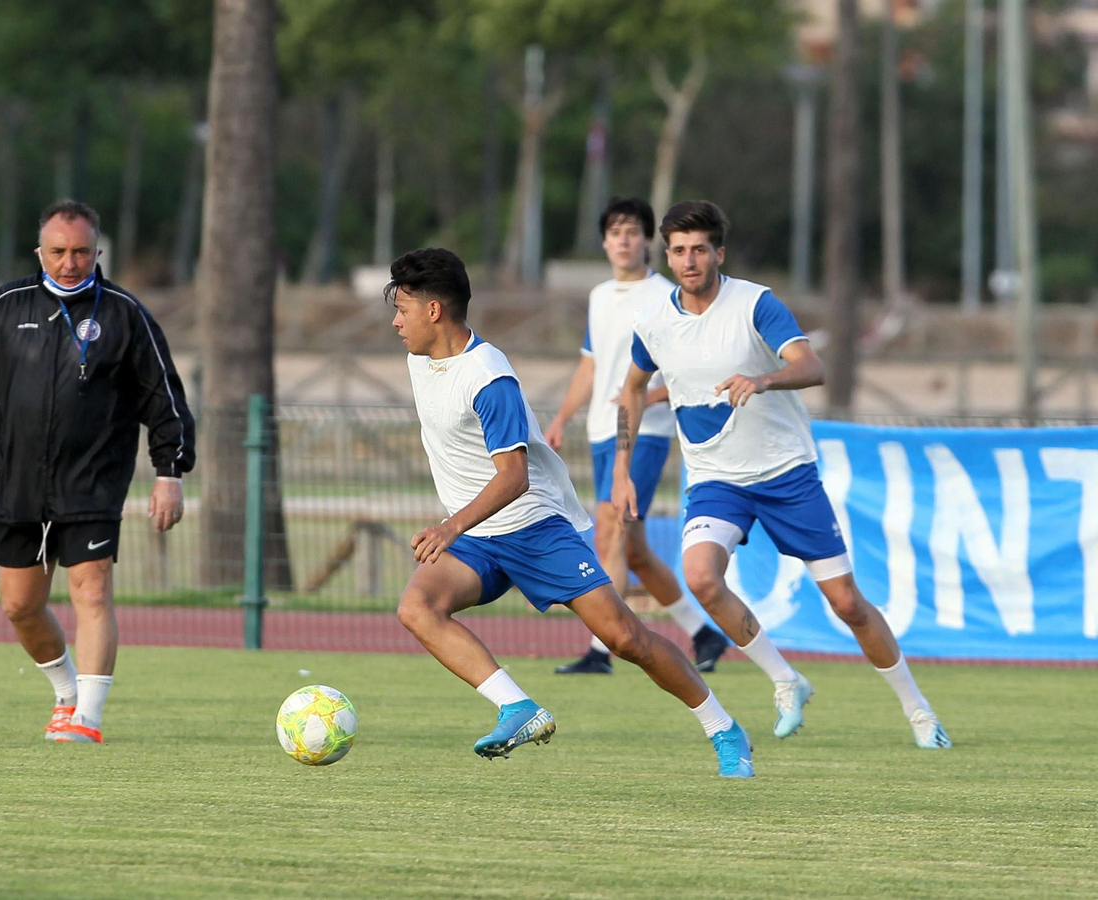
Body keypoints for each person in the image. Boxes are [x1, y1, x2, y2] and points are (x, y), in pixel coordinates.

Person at [387, 247, 753, 777]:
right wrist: (460, 528)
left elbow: (515, 477)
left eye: (403, 309)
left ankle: (724, 728)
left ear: (434, 310)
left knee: (626, 638)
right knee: (417, 608)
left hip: (535, 526)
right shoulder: (418, 359)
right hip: (478, 537)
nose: (396, 322)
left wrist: (450, 526)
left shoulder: (490, 379)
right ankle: (518, 708)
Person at [615, 201, 950, 749]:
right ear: (668, 257)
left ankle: (919, 711)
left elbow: (811, 366)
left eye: (700, 248)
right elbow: (631, 388)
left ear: (718, 253)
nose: (689, 260)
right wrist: (622, 471)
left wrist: (764, 379)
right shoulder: (654, 324)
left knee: (847, 604)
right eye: (678, 250)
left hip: (785, 474)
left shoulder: (755, 304)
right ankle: (785, 679)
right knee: (701, 577)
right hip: (715, 480)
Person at [0, 200, 194, 745]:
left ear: (96, 251)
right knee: (19, 605)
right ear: (40, 252)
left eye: (80, 252)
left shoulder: (125, 314)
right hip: (18, 484)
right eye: (58, 252)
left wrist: (169, 471)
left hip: (93, 483)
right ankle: (66, 694)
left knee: (93, 592)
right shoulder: (6, 305)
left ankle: (89, 720)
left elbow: (164, 399)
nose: (69, 262)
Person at [544, 197, 729, 675]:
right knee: (635, 550)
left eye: (632, 232)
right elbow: (590, 362)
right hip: (602, 432)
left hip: (647, 434)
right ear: (604, 242)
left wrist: (646, 398)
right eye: (614, 233)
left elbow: (692, 368)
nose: (623, 241)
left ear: (648, 240)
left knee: (609, 528)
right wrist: (563, 417)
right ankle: (703, 632)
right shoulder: (600, 296)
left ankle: (601, 649)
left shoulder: (665, 296)